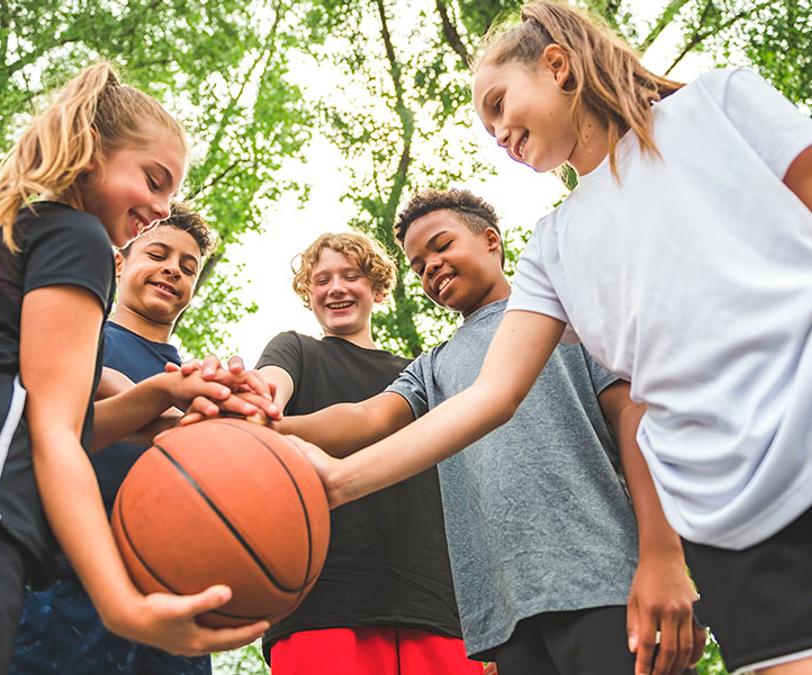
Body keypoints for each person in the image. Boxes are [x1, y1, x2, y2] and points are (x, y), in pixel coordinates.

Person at [290, 3, 812, 675]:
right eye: (487, 127)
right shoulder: (554, 247)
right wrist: (336, 481)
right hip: (727, 518)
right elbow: (489, 397)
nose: (498, 133)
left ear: (558, 66)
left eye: (499, 104)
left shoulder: (717, 105)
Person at [0, 63, 271, 675]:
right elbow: (53, 438)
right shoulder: (77, 236)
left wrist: (162, 391)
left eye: (171, 195)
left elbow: (52, 423)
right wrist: (122, 604)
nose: (161, 207)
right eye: (153, 180)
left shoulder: (33, 230)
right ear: (92, 151)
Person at [268, 192, 702, 675]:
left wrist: (663, 555)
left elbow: (635, 421)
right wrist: (265, 427)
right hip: (507, 626)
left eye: (442, 246)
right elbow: (366, 418)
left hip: (607, 586)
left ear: (491, 240)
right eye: (419, 266)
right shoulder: (432, 367)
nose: (431, 267)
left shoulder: (567, 319)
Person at [255, 232, 480, 675]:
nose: (335, 288)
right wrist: (253, 400)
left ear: (377, 289)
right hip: (320, 602)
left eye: (350, 276)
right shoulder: (295, 349)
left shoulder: (419, 375)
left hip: (433, 603)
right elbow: (268, 389)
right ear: (309, 296)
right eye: (322, 280)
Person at [11, 204, 218, 674]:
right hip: (62, 585)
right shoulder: (78, 336)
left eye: (188, 268)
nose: (173, 269)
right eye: (158, 255)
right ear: (119, 263)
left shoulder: (196, 380)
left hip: (169, 596)